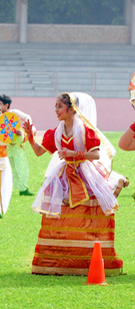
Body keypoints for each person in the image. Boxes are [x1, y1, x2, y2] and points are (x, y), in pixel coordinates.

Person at [23, 92, 126, 276]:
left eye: (60, 106)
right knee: (61, 215)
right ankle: (56, 260)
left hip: (86, 172)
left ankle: (89, 258)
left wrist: (75, 155)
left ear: (72, 109)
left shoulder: (85, 131)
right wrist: (30, 136)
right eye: (55, 106)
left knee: (89, 213)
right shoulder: (56, 132)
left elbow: (96, 154)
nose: (56, 110)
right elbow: (39, 152)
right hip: (64, 175)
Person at [0, 94, 33, 196]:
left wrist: (27, 130)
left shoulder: (13, 113)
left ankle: (23, 188)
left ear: (6, 105)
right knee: (1, 168)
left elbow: (27, 117)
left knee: (19, 168)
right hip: (2, 147)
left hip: (15, 146)